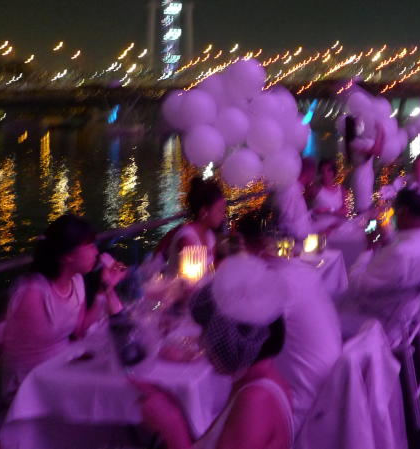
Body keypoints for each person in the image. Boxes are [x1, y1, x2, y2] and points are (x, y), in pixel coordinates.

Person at [134, 255, 292, 449]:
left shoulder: (255, 400)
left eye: (208, 332)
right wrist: (172, 404)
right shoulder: (258, 380)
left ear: (234, 339)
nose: (202, 343)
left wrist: (172, 426)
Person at [232, 204, 342, 431]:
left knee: (233, 394)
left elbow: (240, 339)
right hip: (331, 380)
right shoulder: (298, 268)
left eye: (237, 245)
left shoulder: (274, 283)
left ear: (250, 246)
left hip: (307, 398)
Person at [1, 214, 126, 396]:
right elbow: (26, 356)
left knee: (119, 374)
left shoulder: (76, 281)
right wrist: (77, 366)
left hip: (62, 367)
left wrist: (104, 288)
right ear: (67, 255)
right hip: (30, 385)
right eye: (89, 246)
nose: (96, 252)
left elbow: (81, 330)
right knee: (111, 386)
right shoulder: (34, 293)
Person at [344, 189, 420, 343]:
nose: (394, 215)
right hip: (409, 311)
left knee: (328, 308)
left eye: (395, 211)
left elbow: (354, 285)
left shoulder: (400, 254)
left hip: (379, 319)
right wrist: (387, 241)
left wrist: (369, 248)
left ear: (403, 211)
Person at [161, 177, 226, 273]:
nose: (223, 216)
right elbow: (192, 282)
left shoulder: (209, 235)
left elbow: (213, 269)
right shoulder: (187, 239)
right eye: (220, 210)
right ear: (204, 212)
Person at [345, 116, 384, 214]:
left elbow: (378, 150)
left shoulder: (360, 140)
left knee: (367, 207)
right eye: (358, 123)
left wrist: (382, 134)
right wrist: (379, 132)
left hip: (367, 175)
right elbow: (376, 151)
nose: (361, 125)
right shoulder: (354, 143)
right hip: (361, 178)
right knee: (363, 210)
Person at [309, 158, 346, 234]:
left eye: (329, 171)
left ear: (333, 172)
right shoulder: (315, 189)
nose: (325, 174)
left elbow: (345, 211)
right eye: (322, 172)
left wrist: (328, 210)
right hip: (321, 228)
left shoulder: (341, 189)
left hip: (338, 226)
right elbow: (308, 211)